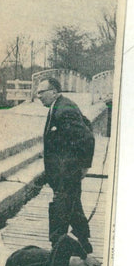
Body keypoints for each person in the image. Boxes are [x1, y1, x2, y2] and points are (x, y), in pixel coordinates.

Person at [35, 77, 95, 253]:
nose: (38, 96)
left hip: (67, 172)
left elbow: (87, 137)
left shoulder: (64, 109)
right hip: (63, 171)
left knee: (60, 209)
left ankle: (57, 246)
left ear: (54, 92)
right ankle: (84, 242)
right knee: (73, 206)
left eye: (41, 92)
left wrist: (83, 166)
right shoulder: (60, 106)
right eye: (37, 92)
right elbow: (87, 125)